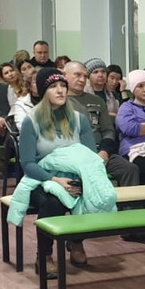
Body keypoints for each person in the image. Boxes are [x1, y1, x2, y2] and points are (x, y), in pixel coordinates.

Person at [18, 68, 97, 275]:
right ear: (43, 91)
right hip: (40, 179)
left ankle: (76, 241)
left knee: (90, 195)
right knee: (54, 201)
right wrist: (55, 180)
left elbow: (91, 157)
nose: (60, 90)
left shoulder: (79, 119)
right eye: (53, 87)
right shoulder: (31, 121)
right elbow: (27, 164)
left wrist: (81, 181)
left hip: (74, 177)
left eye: (63, 85)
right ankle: (44, 254)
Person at [63, 61, 139, 188]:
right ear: (65, 76)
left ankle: (129, 201)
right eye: (77, 75)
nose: (82, 79)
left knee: (130, 169)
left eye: (84, 76)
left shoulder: (96, 101)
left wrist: (104, 151)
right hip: (74, 154)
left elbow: (108, 130)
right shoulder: (59, 101)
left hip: (100, 151)